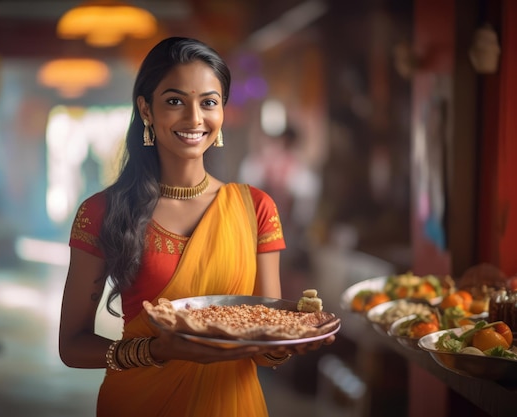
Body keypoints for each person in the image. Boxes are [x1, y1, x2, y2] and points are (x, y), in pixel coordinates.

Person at [58, 37, 335, 417]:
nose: (194, 118)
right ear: (146, 109)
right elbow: (71, 347)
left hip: (233, 405)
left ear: (221, 111)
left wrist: (288, 343)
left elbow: (267, 344)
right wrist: (154, 351)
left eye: (208, 102)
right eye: (175, 101)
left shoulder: (256, 208)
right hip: (140, 403)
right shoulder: (103, 211)